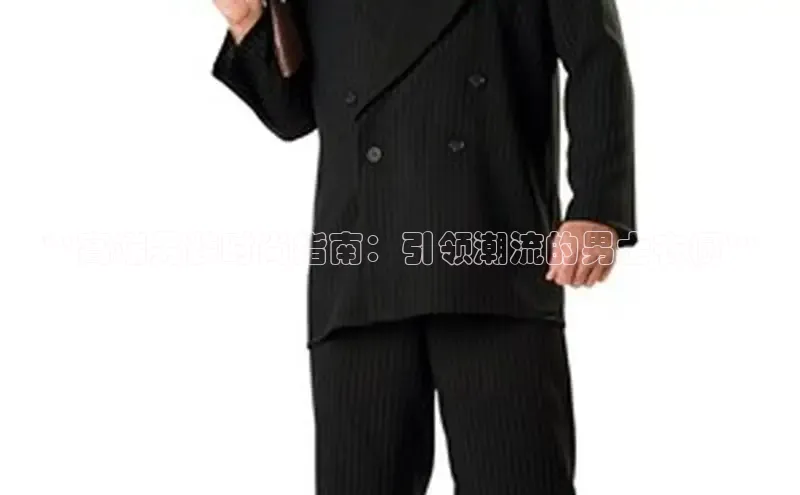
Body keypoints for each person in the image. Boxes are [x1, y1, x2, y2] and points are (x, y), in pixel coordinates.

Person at [211, 0, 637, 492]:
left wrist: (596, 207)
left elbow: (596, 56)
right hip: (357, 259)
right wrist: (247, 22)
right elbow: (294, 115)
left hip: (491, 244)